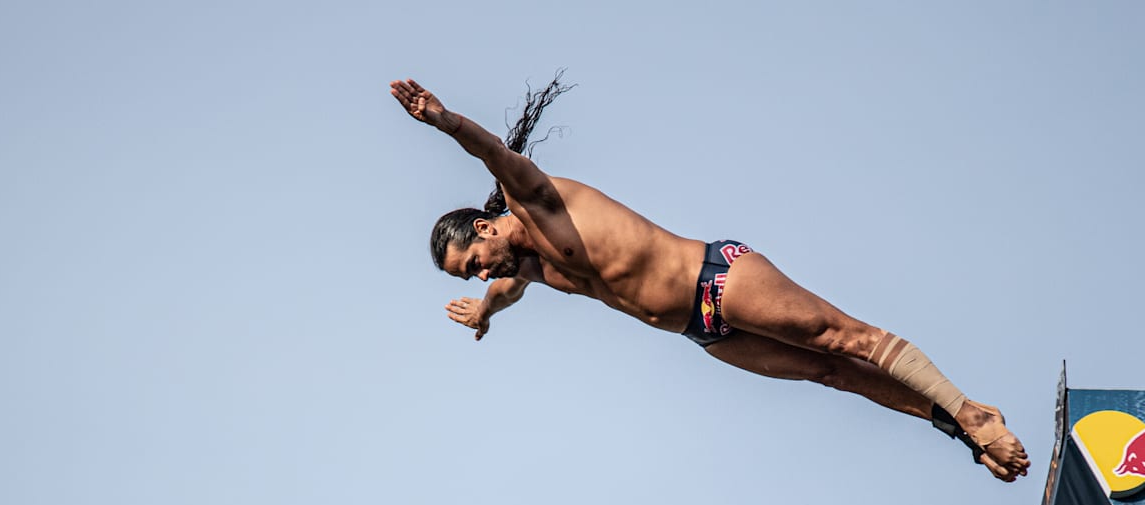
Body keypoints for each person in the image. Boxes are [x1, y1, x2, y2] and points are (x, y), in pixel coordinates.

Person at [390, 76, 1029, 481]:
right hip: (705, 332)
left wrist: (444, 121)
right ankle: (958, 431)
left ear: (484, 228)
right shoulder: (526, 267)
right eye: (471, 279)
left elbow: (493, 151)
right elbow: (507, 290)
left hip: (716, 279)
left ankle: (972, 411)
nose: (482, 276)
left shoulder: (536, 201)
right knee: (830, 373)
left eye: (473, 265)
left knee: (844, 339)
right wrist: (485, 314)